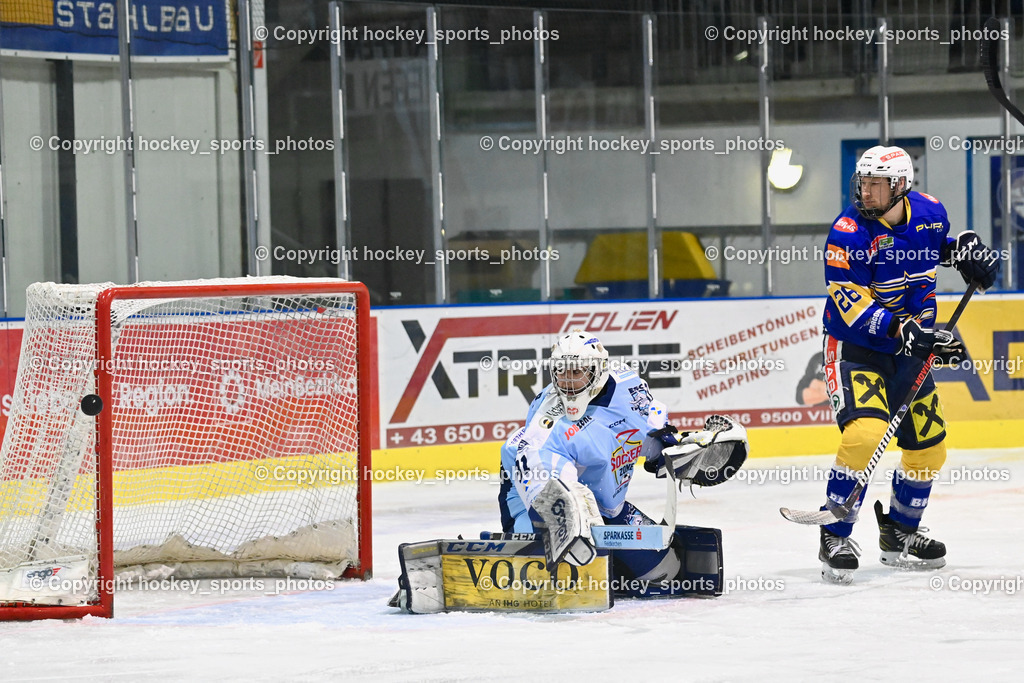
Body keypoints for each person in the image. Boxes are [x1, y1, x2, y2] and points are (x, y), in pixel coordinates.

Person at [817, 145, 999, 584]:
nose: (867, 191)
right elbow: (852, 306)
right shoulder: (847, 233)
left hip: (910, 351)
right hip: (856, 349)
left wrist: (964, 255)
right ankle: (834, 533)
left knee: (929, 447)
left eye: (877, 184)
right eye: (863, 182)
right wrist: (906, 331)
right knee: (865, 435)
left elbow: (933, 247)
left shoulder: (932, 213)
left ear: (900, 186)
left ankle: (900, 530)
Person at [497, 329, 747, 597]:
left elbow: (654, 439)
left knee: (664, 573)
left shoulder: (629, 388)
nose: (567, 381)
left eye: (577, 371)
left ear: (597, 370)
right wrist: (575, 524)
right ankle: (581, 559)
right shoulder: (547, 424)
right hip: (533, 502)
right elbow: (550, 494)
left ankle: (612, 567)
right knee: (570, 573)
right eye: (561, 371)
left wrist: (682, 452)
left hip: (606, 505)